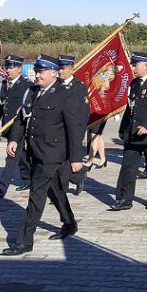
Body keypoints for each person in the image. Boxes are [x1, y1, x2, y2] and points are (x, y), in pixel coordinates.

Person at [1, 55, 86, 255]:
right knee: (53, 189)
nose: (37, 75)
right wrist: (14, 139)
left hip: (53, 153)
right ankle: (69, 222)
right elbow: (22, 120)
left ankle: (24, 241)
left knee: (36, 195)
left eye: (41, 72)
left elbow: (75, 128)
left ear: (54, 73)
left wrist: (76, 158)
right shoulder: (31, 92)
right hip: (34, 151)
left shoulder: (65, 94)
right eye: (36, 71)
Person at [110, 52, 147, 211]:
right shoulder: (134, 83)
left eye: (135, 65)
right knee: (128, 167)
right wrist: (123, 129)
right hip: (133, 133)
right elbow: (131, 107)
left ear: (146, 65)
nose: (133, 68)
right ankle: (124, 199)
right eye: (133, 65)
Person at [0, 55, 32, 198]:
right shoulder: (3, 85)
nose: (8, 70)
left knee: (11, 156)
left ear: (19, 69)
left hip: (21, 127)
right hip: (8, 127)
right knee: (22, 156)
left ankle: (1, 188)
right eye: (7, 67)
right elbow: (1, 108)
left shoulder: (27, 85)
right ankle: (28, 179)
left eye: (11, 67)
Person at [57, 54, 91, 195]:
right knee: (61, 161)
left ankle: (74, 179)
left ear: (71, 69)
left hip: (73, 128)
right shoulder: (56, 85)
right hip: (57, 129)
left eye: (63, 68)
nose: (60, 71)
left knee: (68, 159)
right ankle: (64, 187)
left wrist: (79, 129)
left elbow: (84, 112)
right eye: (59, 68)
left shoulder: (79, 87)